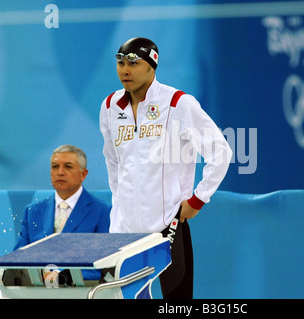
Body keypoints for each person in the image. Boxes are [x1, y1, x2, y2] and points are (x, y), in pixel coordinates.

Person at [99, 37, 232, 298]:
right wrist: (119, 202)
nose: (125, 69)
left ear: (152, 66)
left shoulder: (178, 103)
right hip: (123, 234)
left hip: (167, 227)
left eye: (134, 63)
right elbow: (112, 159)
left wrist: (198, 199)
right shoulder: (110, 106)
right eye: (120, 62)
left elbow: (220, 151)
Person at [14, 145, 111, 280]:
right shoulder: (33, 212)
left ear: (83, 174)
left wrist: (62, 276)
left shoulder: (102, 211)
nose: (60, 172)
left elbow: (104, 265)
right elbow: (18, 259)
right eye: (55, 166)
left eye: (68, 166)